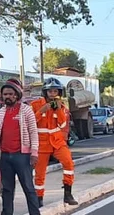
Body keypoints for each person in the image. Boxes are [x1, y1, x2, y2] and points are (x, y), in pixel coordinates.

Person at [0, 79, 43, 215]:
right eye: (5, 94)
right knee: (7, 189)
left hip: (22, 155)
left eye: (11, 94)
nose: (8, 96)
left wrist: (34, 153)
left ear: (17, 95)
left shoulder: (26, 110)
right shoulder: (0, 113)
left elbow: (33, 132)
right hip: (5, 156)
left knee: (28, 187)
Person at [30, 78, 79, 207]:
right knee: (39, 173)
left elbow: (63, 124)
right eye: (50, 91)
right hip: (41, 143)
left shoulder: (61, 106)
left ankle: (68, 194)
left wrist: (58, 110)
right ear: (45, 92)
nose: (53, 94)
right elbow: (30, 122)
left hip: (57, 142)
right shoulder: (35, 104)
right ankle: (38, 199)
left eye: (55, 91)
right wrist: (42, 111)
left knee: (68, 162)